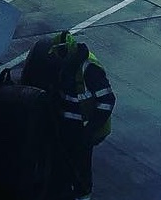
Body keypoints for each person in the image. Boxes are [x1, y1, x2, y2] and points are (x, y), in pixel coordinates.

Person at [45, 31, 115, 200]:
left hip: (85, 129)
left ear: (66, 51)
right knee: (64, 165)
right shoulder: (68, 67)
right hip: (70, 128)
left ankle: (83, 196)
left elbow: (107, 100)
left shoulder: (89, 69)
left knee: (81, 169)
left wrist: (89, 131)